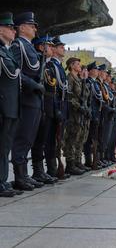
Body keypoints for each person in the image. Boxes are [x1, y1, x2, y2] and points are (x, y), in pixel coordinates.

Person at [11, 12, 44, 191]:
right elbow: (15, 72)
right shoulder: (18, 45)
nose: (34, 28)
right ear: (22, 27)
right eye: (31, 25)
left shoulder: (30, 47)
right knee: (22, 138)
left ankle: (24, 175)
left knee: (29, 138)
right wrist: (33, 84)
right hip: (25, 98)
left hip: (35, 100)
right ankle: (19, 177)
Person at [0, 12, 23, 197]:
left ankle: (2, 180)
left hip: (11, 106)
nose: (13, 31)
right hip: (2, 105)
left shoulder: (7, 52)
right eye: (10, 27)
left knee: (5, 146)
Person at [30, 35, 58, 184]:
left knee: (43, 140)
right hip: (39, 104)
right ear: (41, 47)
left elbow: (52, 89)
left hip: (48, 106)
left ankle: (40, 171)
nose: (52, 49)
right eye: (49, 46)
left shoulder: (48, 66)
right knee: (36, 140)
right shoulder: (40, 64)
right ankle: (37, 171)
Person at [47, 36, 70, 179]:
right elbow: (53, 89)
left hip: (61, 106)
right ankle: (51, 169)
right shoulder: (51, 66)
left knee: (58, 140)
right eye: (61, 47)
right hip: (55, 106)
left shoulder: (59, 66)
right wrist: (57, 109)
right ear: (54, 49)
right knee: (50, 139)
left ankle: (55, 168)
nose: (63, 49)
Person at [63, 57, 89, 175]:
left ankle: (76, 162)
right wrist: (79, 107)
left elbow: (83, 96)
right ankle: (70, 164)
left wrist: (83, 80)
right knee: (71, 139)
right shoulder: (70, 78)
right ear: (72, 66)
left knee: (78, 138)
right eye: (78, 64)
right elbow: (69, 96)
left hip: (79, 113)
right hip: (73, 113)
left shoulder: (78, 79)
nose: (80, 66)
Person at [83, 61, 103, 170]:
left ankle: (95, 160)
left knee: (95, 138)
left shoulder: (95, 83)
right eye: (95, 69)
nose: (97, 71)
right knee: (88, 138)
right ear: (90, 71)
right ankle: (88, 160)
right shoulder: (88, 82)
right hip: (90, 113)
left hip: (96, 114)